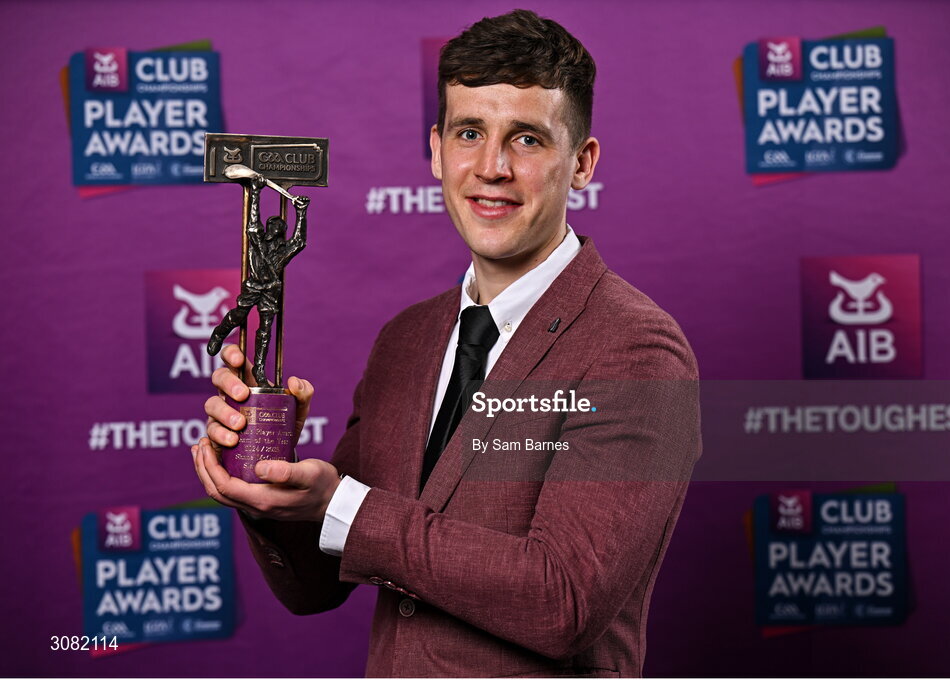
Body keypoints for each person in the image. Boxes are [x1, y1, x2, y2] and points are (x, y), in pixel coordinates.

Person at [192, 9, 700, 677]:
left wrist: (343, 503)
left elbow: (565, 601)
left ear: (581, 163)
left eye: (526, 139)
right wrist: (268, 487)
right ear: (436, 151)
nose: (491, 167)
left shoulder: (637, 350)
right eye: (469, 133)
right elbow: (315, 588)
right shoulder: (406, 340)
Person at [206, 175, 310, 386]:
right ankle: (220, 333)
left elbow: (299, 241)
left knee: (266, 330)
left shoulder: (284, 251)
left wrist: (301, 212)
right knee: (238, 316)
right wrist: (256, 192)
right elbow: (253, 222)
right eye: (272, 225)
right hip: (254, 286)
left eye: (280, 226)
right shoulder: (257, 240)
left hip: (271, 291)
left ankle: (259, 368)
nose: (276, 228)